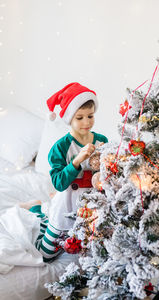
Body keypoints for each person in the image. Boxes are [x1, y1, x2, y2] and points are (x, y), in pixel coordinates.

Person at [20, 82, 108, 262]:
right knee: (46, 255)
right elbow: (59, 182)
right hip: (66, 204)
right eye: (80, 117)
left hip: (91, 207)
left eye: (90, 116)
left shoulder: (102, 141)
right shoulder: (60, 147)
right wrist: (77, 161)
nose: (86, 122)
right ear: (69, 118)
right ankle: (40, 211)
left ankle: (47, 207)